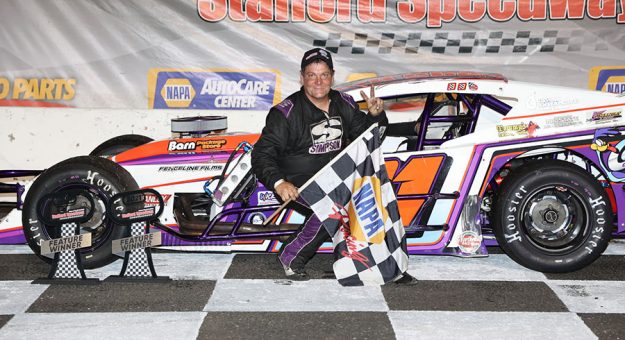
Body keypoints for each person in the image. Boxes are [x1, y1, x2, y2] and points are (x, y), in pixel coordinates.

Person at [251, 48, 417, 284]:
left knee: (375, 195)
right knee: (333, 207)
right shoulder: (284, 113)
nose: (318, 81)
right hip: (303, 181)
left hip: (341, 177)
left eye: (324, 75)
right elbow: (261, 154)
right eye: (311, 75)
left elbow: (369, 138)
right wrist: (279, 183)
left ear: (332, 76)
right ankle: (291, 255)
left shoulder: (344, 103)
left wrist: (375, 116)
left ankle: (382, 262)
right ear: (301, 77)